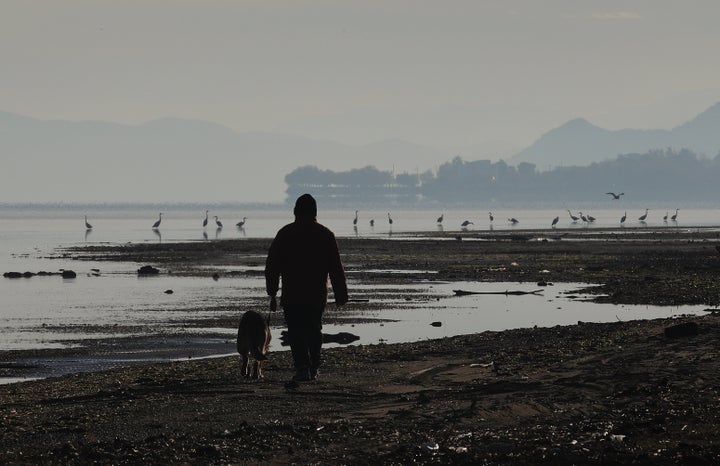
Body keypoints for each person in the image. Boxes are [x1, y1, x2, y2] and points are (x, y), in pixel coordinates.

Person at [265, 194, 348, 382]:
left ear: (295, 211)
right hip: (316, 294)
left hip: (292, 294)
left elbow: (272, 265)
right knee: (313, 329)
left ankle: (302, 367)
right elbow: (335, 267)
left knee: (295, 331)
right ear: (315, 212)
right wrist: (341, 294)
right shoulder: (325, 234)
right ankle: (313, 366)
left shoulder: (285, 233)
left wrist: (272, 291)